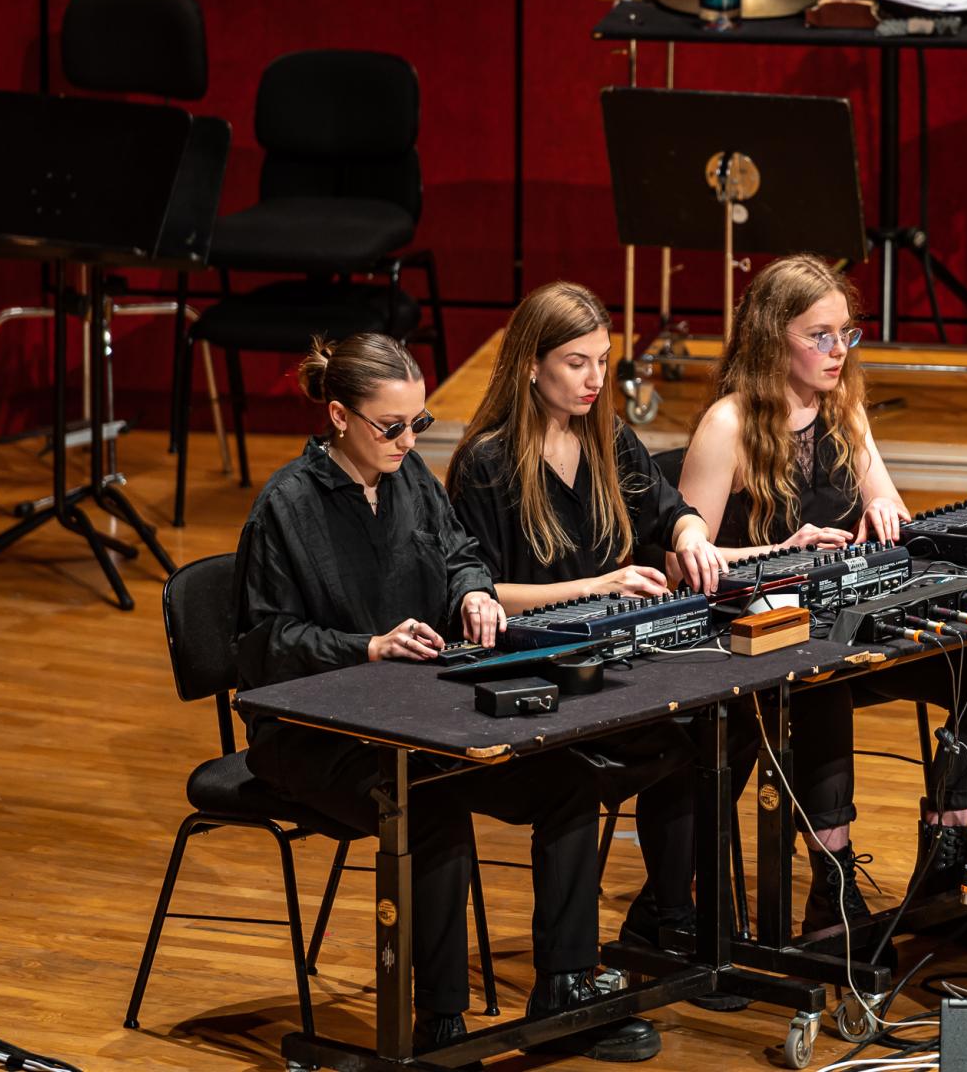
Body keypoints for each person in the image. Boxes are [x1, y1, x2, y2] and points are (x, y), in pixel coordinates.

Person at [233, 333, 660, 1062]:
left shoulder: (409, 481)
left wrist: (471, 596)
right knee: (429, 804)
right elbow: (266, 644)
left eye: (417, 425)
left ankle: (564, 982)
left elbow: (461, 553)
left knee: (566, 778)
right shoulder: (287, 506)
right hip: (312, 736)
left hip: (417, 714)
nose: (407, 440)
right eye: (390, 426)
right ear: (338, 416)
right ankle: (436, 1026)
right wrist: (365, 646)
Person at [679, 254, 967, 932]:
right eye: (820, 336)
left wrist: (887, 515)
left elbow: (886, 499)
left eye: (846, 334)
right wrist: (786, 550)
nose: (838, 352)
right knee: (821, 682)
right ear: (775, 337)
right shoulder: (728, 425)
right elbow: (689, 564)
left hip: (849, 622)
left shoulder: (843, 406)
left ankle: (946, 859)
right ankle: (831, 891)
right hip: (766, 643)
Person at [444, 282, 728, 970]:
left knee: (710, 736)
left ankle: (670, 923)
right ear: (530, 365)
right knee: (595, 774)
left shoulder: (607, 437)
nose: (596, 378)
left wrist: (690, 534)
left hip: (609, 668)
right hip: (534, 676)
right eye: (577, 362)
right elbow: (477, 595)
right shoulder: (487, 463)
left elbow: (671, 510)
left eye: (603, 360)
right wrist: (598, 585)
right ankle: (583, 968)